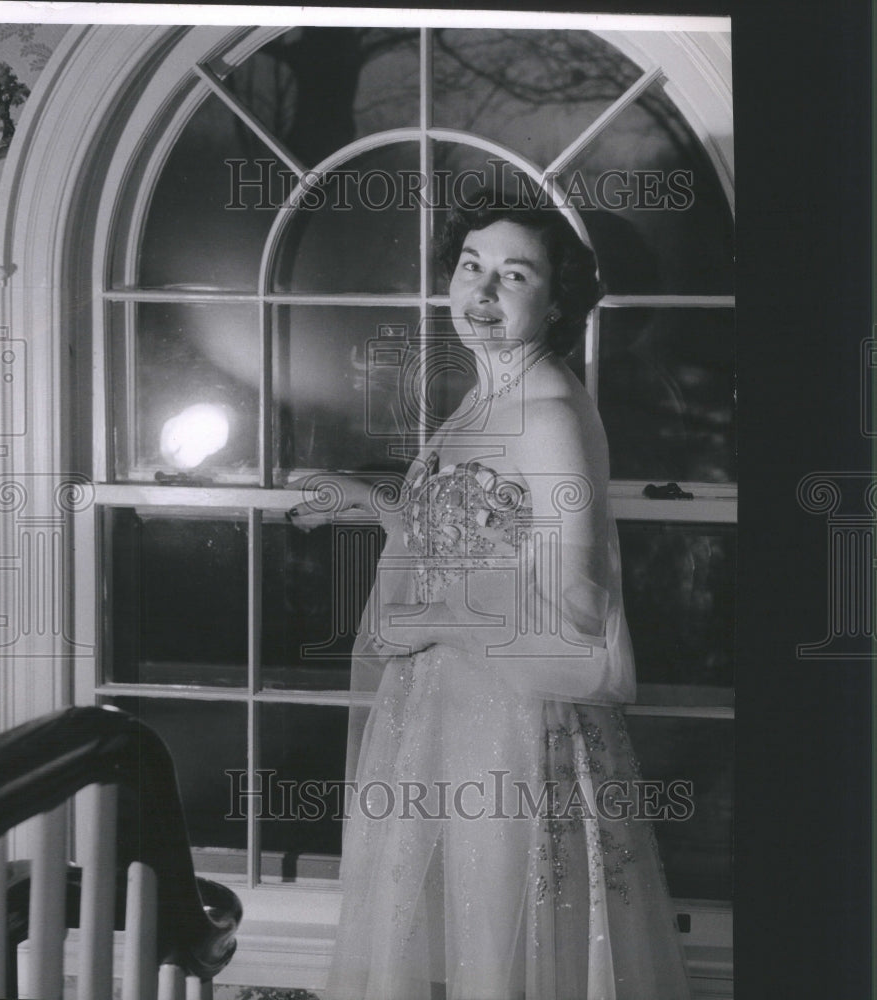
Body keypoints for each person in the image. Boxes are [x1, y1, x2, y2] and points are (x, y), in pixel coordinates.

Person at [290, 189, 692, 1000]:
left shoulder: (548, 413)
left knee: (503, 952)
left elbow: (577, 609)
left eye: (513, 275)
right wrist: (365, 502)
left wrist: (433, 617)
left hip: (513, 724)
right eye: (471, 266)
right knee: (445, 948)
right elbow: (473, 533)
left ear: (557, 300)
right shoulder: (483, 398)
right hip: (444, 712)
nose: (481, 292)